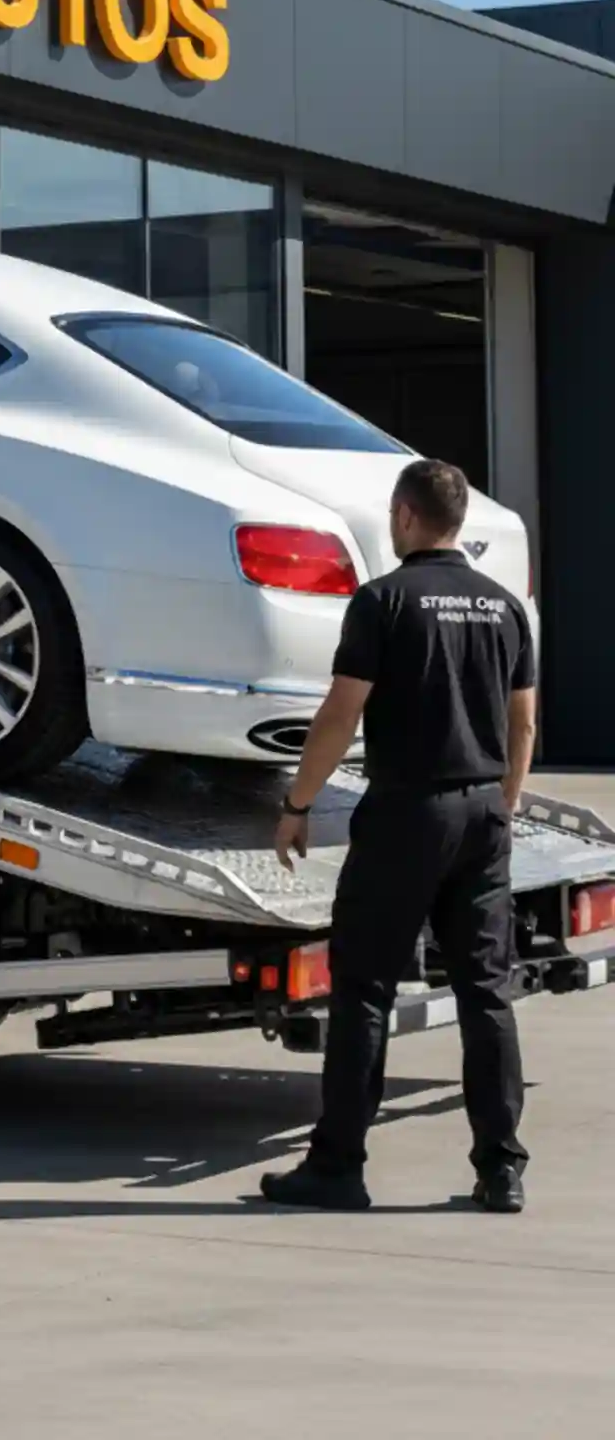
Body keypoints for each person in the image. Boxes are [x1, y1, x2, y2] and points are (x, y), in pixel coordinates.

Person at [261, 457, 537, 1215]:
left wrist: (297, 801)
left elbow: (342, 712)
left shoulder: (383, 601)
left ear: (407, 517)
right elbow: (524, 722)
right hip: (483, 811)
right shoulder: (504, 606)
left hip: (406, 814)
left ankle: (337, 1169)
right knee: (486, 994)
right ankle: (501, 1170)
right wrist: (501, 804)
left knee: (365, 990)